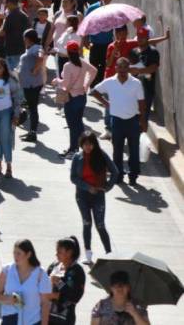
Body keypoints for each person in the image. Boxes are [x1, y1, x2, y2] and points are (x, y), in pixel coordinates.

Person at [90, 58, 146, 186]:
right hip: (117, 121)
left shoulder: (136, 83)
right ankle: (118, 175)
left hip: (133, 121)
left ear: (128, 68)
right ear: (116, 68)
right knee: (117, 150)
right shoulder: (110, 82)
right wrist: (105, 103)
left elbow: (142, 103)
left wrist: (143, 121)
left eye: (125, 67)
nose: (122, 70)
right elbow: (94, 91)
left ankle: (133, 176)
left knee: (134, 150)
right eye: (120, 67)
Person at [70, 132, 119, 264]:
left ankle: (109, 254)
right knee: (87, 223)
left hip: (98, 195)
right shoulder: (77, 157)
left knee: (100, 225)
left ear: (94, 144)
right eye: (85, 144)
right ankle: (88, 254)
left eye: (90, 144)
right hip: (82, 195)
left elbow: (115, 172)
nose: (88, 147)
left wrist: (107, 187)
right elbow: (73, 177)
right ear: (81, 144)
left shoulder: (101, 155)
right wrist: (87, 187)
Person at [0, 239, 51, 325]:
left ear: (28, 254)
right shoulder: (7, 270)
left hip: (32, 321)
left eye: (19, 253)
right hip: (10, 319)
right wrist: (9, 299)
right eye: (14, 253)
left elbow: (45, 303)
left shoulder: (40, 274)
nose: (15, 256)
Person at [57, 42, 98, 157]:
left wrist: (57, 81)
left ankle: (73, 149)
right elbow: (94, 71)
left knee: (72, 125)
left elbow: (65, 84)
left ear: (68, 52)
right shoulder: (83, 62)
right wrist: (86, 84)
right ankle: (86, 147)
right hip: (82, 97)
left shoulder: (67, 66)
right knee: (78, 124)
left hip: (71, 98)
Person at [46, 236, 86, 325]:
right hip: (47, 315)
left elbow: (76, 296)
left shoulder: (77, 271)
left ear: (69, 252)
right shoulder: (53, 266)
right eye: (56, 251)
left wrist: (58, 283)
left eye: (59, 252)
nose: (56, 254)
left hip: (65, 318)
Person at [19, 29, 46, 142]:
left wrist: (35, 69)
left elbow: (41, 56)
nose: (23, 40)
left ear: (28, 38)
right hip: (28, 84)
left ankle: (33, 133)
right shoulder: (30, 48)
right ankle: (31, 132)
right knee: (31, 108)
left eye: (24, 37)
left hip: (32, 85)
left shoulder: (36, 48)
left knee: (33, 109)